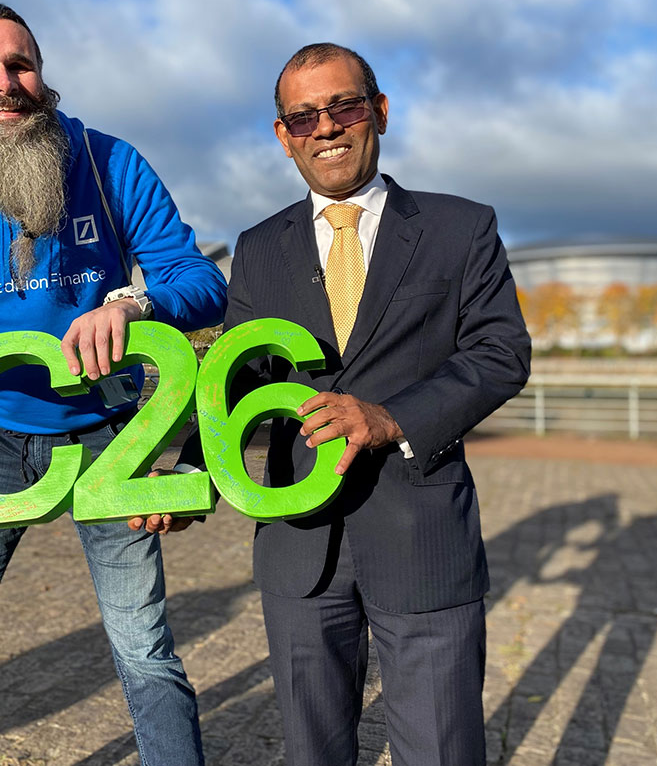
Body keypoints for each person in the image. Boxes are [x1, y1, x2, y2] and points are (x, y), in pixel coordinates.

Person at [0, 0, 226, 766]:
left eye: (20, 63)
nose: (6, 84)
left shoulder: (108, 162)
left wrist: (133, 302)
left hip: (108, 439)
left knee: (145, 648)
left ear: (42, 71)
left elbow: (198, 280)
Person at [211, 43, 531, 765]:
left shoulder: (461, 227)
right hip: (300, 548)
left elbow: (500, 354)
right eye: (302, 116)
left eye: (343, 106)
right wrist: (180, 472)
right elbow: (235, 386)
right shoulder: (258, 247)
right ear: (283, 135)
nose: (325, 127)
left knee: (440, 752)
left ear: (379, 112)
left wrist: (390, 419)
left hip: (423, 537)